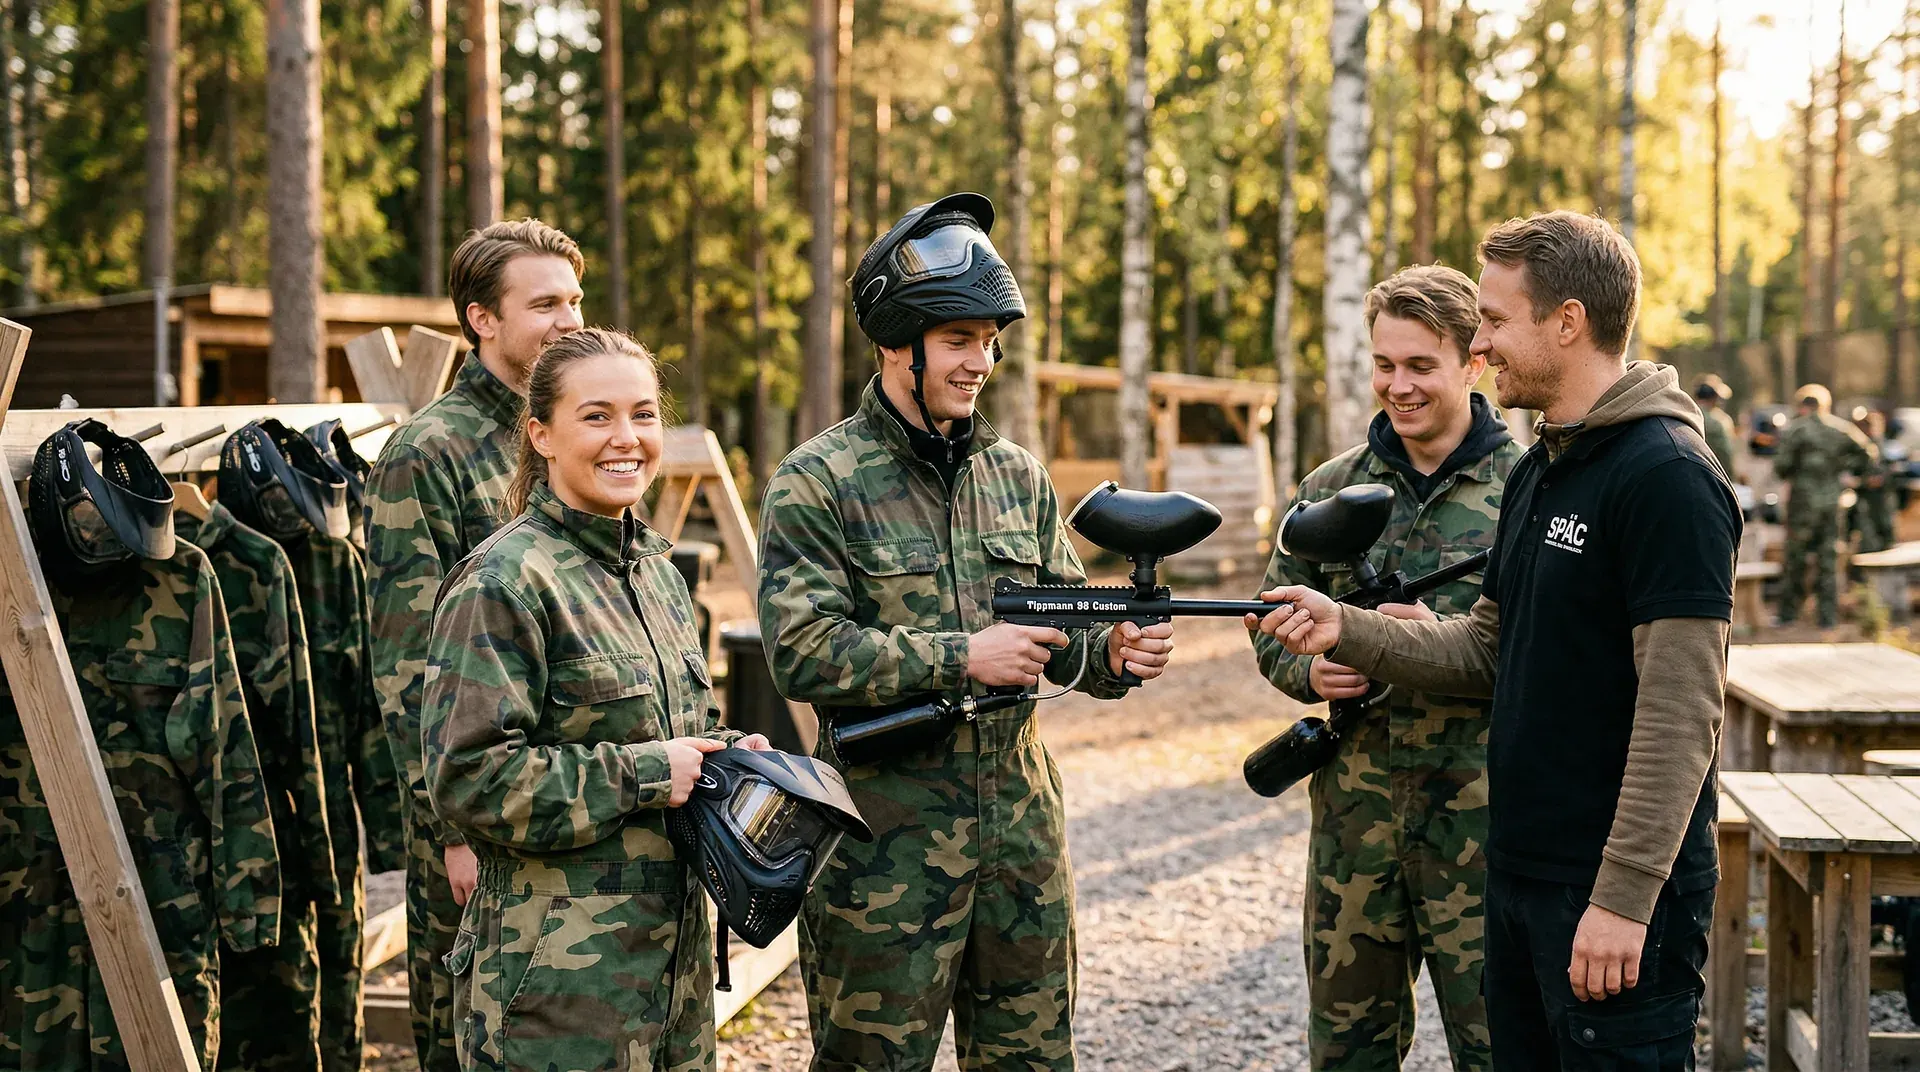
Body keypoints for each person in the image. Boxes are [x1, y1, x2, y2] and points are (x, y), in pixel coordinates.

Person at [1253, 211, 1739, 1071]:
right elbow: (1486, 648)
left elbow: (1681, 713)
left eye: (1494, 320)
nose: (1482, 343)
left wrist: (1624, 900)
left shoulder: (1666, 478)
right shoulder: (1551, 469)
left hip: (1601, 898)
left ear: (1567, 322)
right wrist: (1347, 630)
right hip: (1523, 880)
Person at [757, 191, 1175, 1070]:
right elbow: (799, 649)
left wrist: (1117, 653)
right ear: (894, 344)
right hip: (882, 849)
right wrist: (961, 656)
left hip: (1020, 837)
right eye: (958, 339)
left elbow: (1069, 618)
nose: (980, 360)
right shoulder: (819, 480)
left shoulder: (1017, 476)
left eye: (989, 340)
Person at [422, 328, 769, 1071]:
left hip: (672, 983)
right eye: (598, 416)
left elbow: (673, 733)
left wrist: (725, 757)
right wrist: (649, 772)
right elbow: (469, 780)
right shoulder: (504, 582)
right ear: (541, 434)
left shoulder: (658, 575)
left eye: (644, 415)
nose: (628, 438)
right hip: (557, 1001)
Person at [1252, 264, 1520, 1071]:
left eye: (1419, 366)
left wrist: (1427, 638)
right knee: (1347, 1050)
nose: (1396, 387)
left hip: (1485, 821)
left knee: (1500, 1043)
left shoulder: (1528, 489)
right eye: (1383, 365)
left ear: (1473, 362)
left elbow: (1551, 656)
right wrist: (1311, 673)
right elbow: (1269, 622)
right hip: (1356, 824)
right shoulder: (1333, 489)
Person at [364, 218, 585, 1072]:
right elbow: (407, 665)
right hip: (476, 814)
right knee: (473, 1036)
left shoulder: (573, 432)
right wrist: (451, 830)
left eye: (574, 299)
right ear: (482, 319)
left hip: (571, 792)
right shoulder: (429, 453)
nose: (568, 320)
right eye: (544, 304)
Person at [1774, 384, 1874, 627]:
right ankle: (1827, 617)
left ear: (1802, 405)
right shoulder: (1840, 428)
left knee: (1796, 558)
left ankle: (1789, 614)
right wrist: (1842, 468)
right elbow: (1868, 453)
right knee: (1828, 559)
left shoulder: (1796, 430)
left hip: (1803, 503)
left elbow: (1781, 467)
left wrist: (1801, 471)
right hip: (1831, 502)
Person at [1693, 374, 1737, 480]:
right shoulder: (1719, 422)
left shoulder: (1687, 414)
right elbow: (1726, 453)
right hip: (1717, 477)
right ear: (1714, 397)